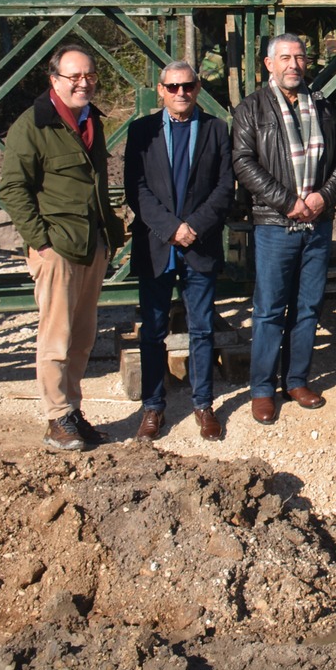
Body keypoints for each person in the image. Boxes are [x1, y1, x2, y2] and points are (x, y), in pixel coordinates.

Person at [1, 43, 125, 453]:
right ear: (54, 79)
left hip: (90, 244)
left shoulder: (91, 121)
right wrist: (42, 242)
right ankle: (56, 418)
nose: (84, 83)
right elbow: (14, 188)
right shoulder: (32, 125)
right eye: (74, 76)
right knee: (56, 339)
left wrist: (106, 238)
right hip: (58, 247)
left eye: (89, 75)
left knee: (83, 337)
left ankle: (72, 410)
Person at [233, 33, 336, 423]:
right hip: (274, 224)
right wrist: (289, 202)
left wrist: (322, 199)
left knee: (308, 307)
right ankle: (263, 389)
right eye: (284, 58)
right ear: (269, 64)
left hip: (317, 222)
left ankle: (297, 379)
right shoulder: (252, 109)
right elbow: (244, 163)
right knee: (268, 310)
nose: (293, 65)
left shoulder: (323, 106)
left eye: (299, 58)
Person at [122, 59, 234, 442]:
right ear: (161, 90)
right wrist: (171, 229)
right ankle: (153, 407)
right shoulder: (141, 132)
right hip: (157, 245)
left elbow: (225, 187)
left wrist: (194, 227)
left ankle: (204, 404)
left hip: (199, 244)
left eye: (187, 86)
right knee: (152, 330)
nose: (180, 93)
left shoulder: (217, 130)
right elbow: (135, 188)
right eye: (173, 87)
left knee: (202, 329)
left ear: (198, 88)